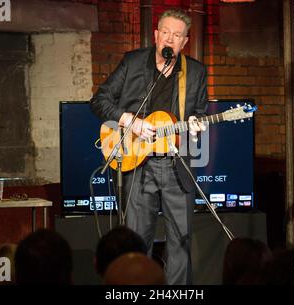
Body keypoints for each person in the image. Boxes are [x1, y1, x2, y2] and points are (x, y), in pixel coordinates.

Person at [90, 8, 208, 285]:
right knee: (136, 239)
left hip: (176, 165)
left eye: (176, 35)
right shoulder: (132, 63)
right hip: (137, 163)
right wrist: (129, 120)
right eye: (165, 32)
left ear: (184, 42)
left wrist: (198, 123)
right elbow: (99, 101)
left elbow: (200, 113)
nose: (169, 39)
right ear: (155, 35)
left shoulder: (196, 72)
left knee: (181, 240)